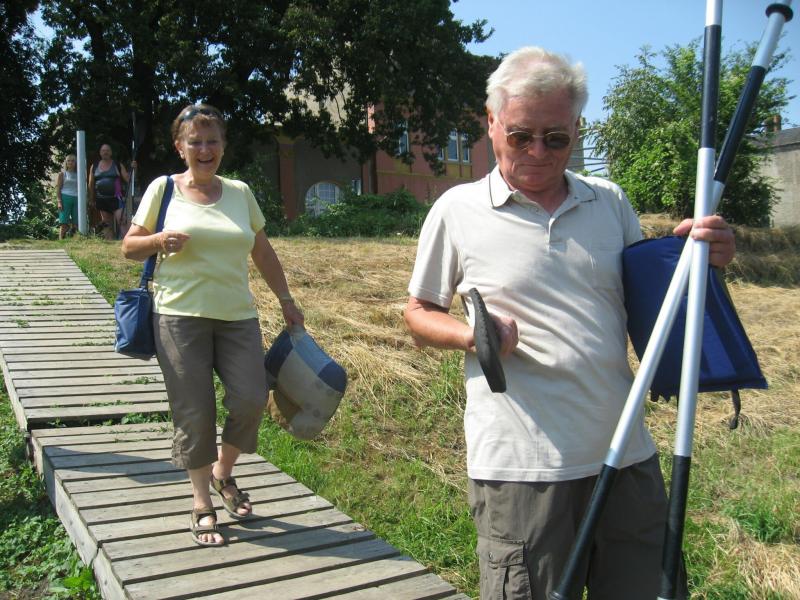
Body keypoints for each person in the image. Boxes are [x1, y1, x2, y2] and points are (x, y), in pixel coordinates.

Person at [404, 47, 736, 600]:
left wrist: (703, 259)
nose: (538, 152)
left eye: (556, 138)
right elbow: (417, 313)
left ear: (577, 129)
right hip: (522, 471)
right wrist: (472, 336)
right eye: (521, 136)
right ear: (491, 123)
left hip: (626, 455)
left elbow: (655, 307)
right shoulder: (457, 210)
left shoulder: (609, 202)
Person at [121, 103, 304, 547]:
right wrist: (158, 240)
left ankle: (224, 471)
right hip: (179, 316)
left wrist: (286, 299)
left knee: (252, 398)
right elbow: (129, 247)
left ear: (223, 146)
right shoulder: (163, 189)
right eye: (195, 142)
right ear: (180, 147)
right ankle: (202, 500)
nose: (205, 149)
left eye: (212, 141)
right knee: (195, 411)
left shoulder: (240, 192)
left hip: (237, 316)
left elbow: (262, 251)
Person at [88, 143, 131, 240]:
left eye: (107, 150)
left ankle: (127, 242)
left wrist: (134, 169)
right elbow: (91, 184)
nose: (105, 152)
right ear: (100, 153)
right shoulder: (94, 166)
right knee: (107, 224)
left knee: (122, 220)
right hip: (101, 199)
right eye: (103, 151)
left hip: (116, 198)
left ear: (111, 152)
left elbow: (127, 178)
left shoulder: (117, 165)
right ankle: (110, 244)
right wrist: (90, 198)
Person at [55, 154, 79, 239]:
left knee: (76, 222)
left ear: (76, 162)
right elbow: (58, 189)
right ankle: (61, 241)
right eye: (68, 160)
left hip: (77, 199)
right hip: (65, 198)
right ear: (66, 162)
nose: (70, 162)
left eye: (73, 161)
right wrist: (59, 201)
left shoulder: (79, 174)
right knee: (64, 223)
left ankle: (76, 241)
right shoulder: (62, 174)